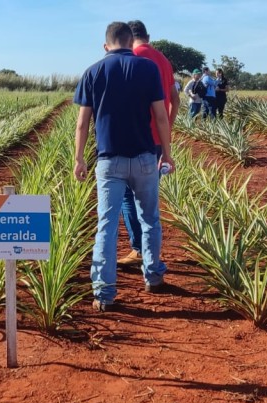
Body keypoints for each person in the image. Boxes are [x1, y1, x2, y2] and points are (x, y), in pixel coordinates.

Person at [73, 21, 174, 312]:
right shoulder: (148, 68)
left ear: (106, 45)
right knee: (150, 219)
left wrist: (78, 159)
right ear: (131, 43)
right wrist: (167, 154)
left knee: (106, 224)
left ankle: (104, 293)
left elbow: (82, 123)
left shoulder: (93, 71)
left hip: (109, 160)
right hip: (144, 157)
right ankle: (153, 276)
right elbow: (161, 116)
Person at [117, 19, 179, 267]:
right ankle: (150, 253)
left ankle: (139, 249)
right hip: (157, 140)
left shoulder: (131, 57)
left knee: (127, 195)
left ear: (128, 38)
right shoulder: (163, 60)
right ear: (148, 36)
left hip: (134, 138)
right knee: (148, 198)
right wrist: (166, 129)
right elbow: (175, 99)